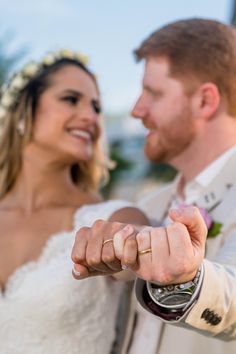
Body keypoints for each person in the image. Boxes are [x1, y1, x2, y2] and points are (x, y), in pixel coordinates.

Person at [72, 18, 236, 354]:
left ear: (205, 101)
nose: (136, 110)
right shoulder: (149, 204)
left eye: (153, 93)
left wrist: (188, 281)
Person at [0, 49, 148, 354]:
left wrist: (130, 245)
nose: (91, 117)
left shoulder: (113, 218)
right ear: (24, 110)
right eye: (71, 99)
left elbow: (138, 255)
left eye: (96, 107)